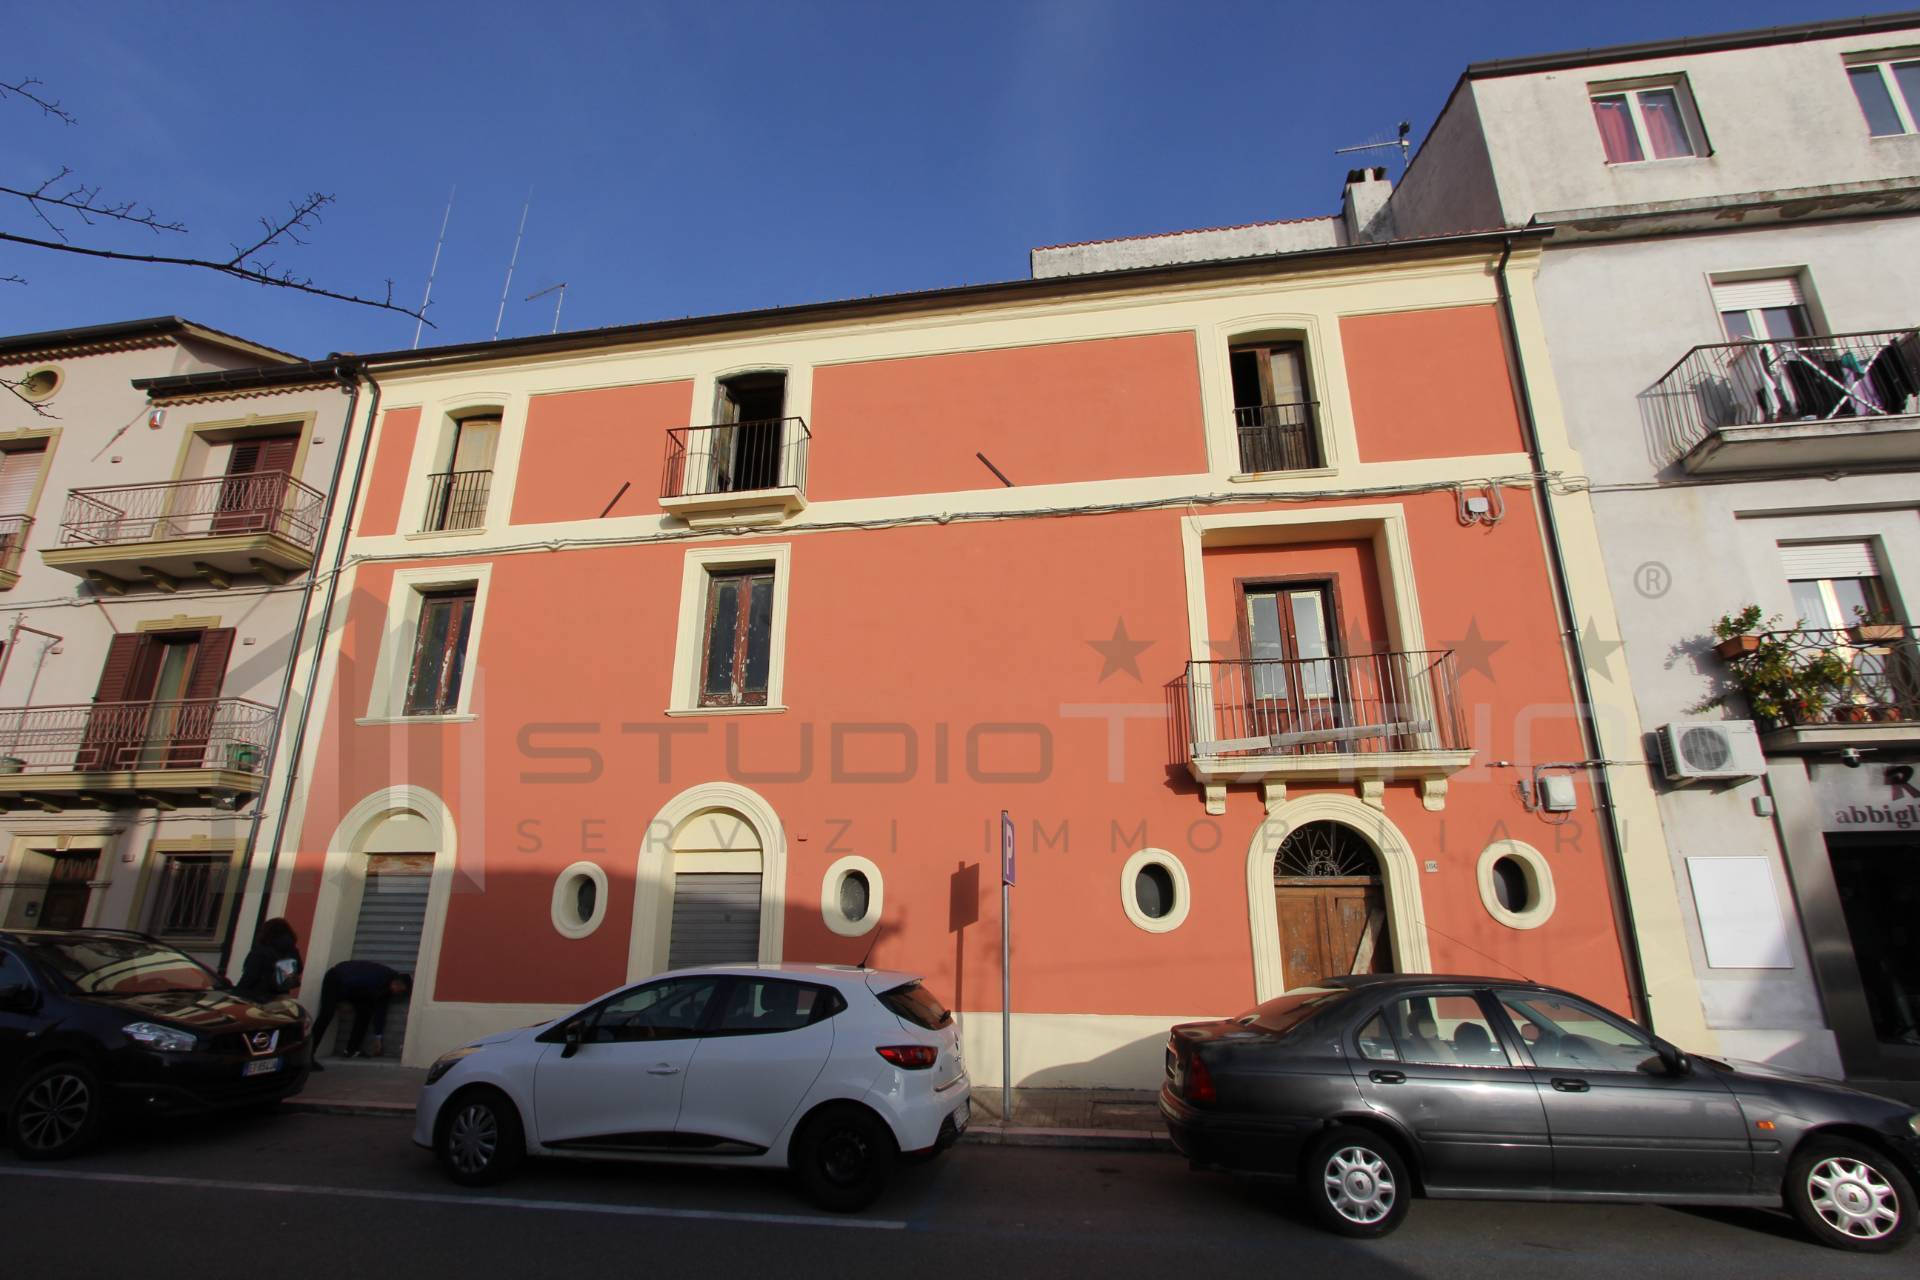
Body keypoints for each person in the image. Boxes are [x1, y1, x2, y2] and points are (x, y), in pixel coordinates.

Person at [308, 960, 412, 1070]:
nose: (399, 994)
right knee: (326, 1014)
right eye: (400, 991)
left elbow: (381, 1011)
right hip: (337, 979)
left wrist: (378, 1037)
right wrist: (340, 1001)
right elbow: (352, 981)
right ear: (397, 983)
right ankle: (307, 1056)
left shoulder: (388, 989)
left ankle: (352, 1050)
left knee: (365, 1011)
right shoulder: (377, 977)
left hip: (355, 988)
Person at [232, 917, 302, 1004]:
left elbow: (250, 976)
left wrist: (236, 993)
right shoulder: (292, 950)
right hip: (282, 998)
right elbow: (299, 968)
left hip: (258, 998)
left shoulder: (261, 951)